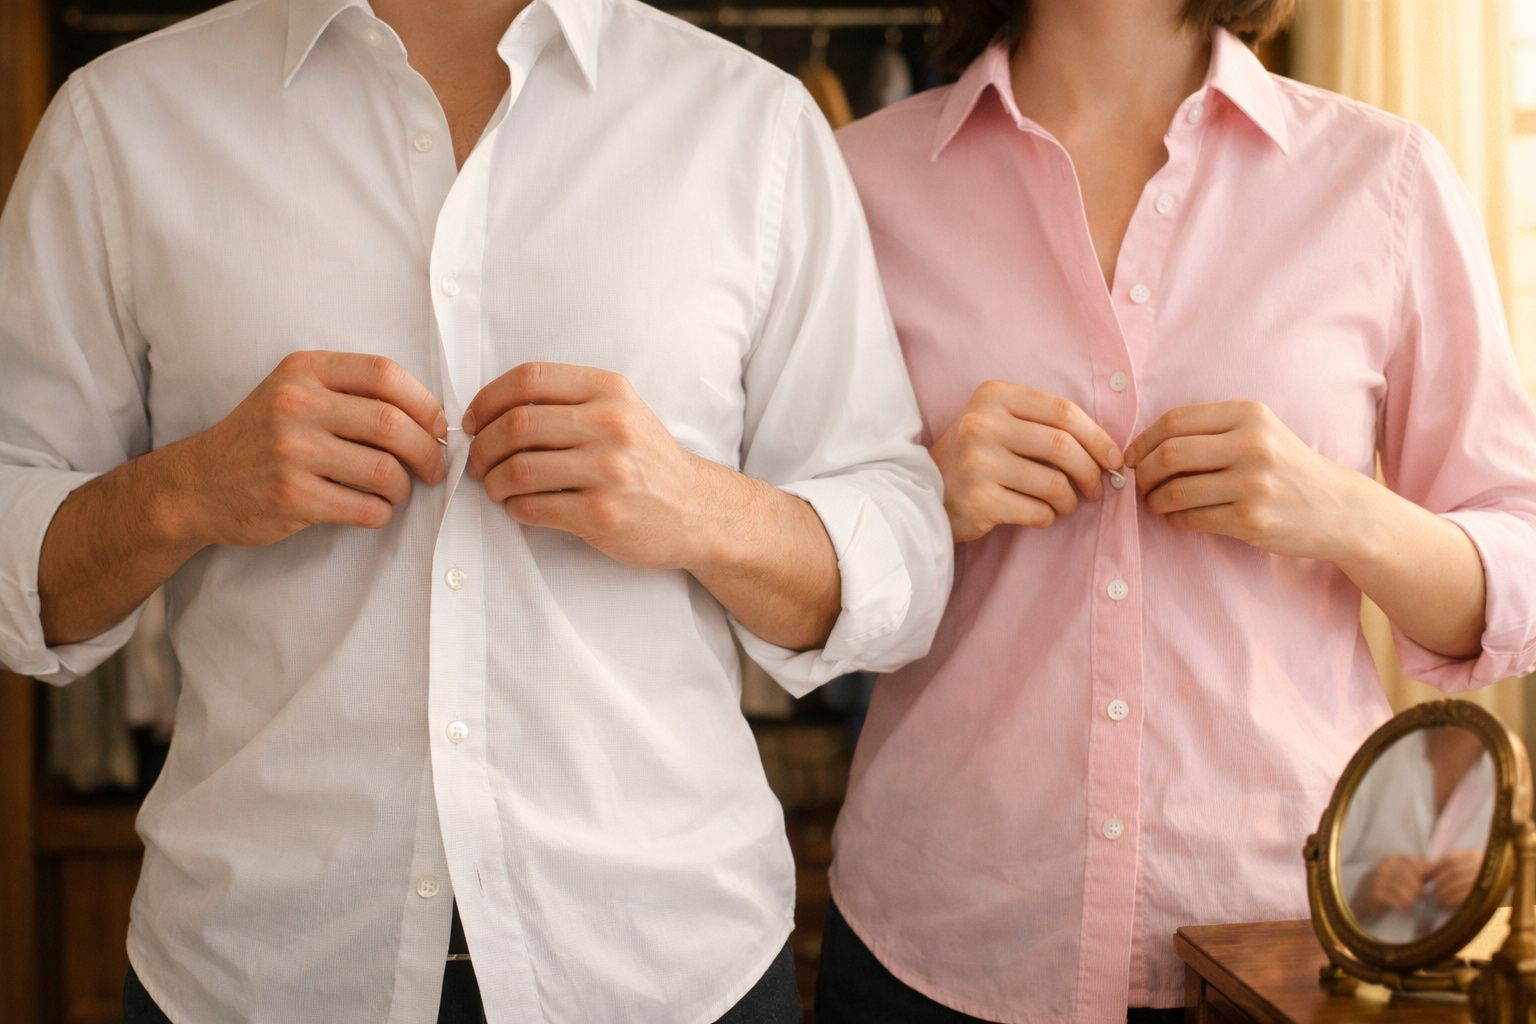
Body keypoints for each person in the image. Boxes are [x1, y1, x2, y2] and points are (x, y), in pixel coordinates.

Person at [0, 0, 953, 1020]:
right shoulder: (123, 122)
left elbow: (901, 554)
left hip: (666, 970)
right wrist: (185, 489)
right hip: (256, 972)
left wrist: (697, 507)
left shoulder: (749, 126)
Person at [815, 0, 1536, 1021]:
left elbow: (1522, 567)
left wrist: (1341, 509)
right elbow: (778, 561)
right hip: (939, 939)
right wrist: (919, 501)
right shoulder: (852, 183)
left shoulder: (1386, 180)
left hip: (1293, 941)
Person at [1340, 725, 1495, 942]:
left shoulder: (1512, 774)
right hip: (1361, 964)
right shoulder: (1377, 754)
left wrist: (1496, 885)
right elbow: (1307, 877)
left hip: (1471, 968)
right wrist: (1360, 889)